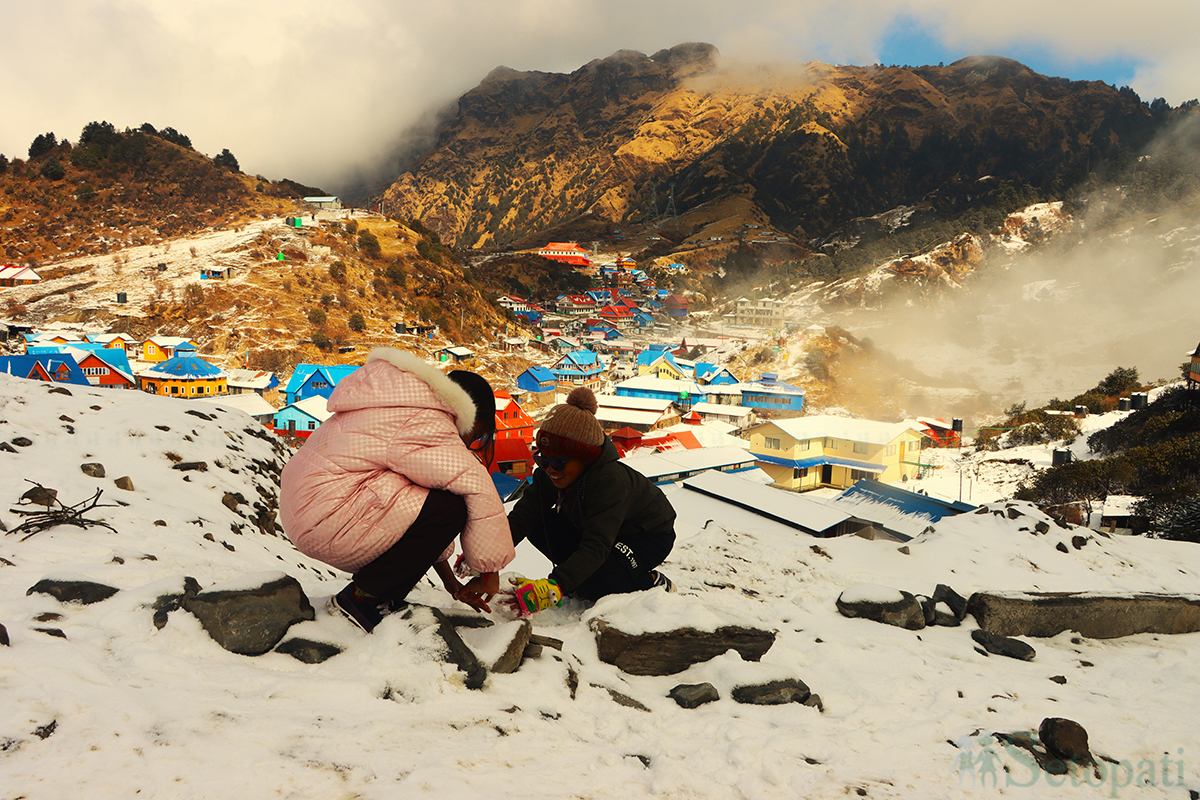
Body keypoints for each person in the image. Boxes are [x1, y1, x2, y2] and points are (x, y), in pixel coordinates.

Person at [279, 348, 514, 632]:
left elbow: (418, 515)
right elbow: (474, 485)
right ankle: (360, 600)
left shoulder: (399, 404)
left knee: (432, 491)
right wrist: (490, 574)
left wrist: (450, 583)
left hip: (311, 509)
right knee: (455, 503)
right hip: (327, 516)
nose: (472, 442)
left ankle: (375, 596)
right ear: (471, 415)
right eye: (479, 434)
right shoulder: (428, 421)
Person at [504, 386, 676, 615]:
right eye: (542, 459)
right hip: (598, 527)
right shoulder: (550, 472)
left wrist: (555, 586)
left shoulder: (609, 482)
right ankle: (581, 578)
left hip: (646, 535)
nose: (549, 469)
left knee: (594, 583)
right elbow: (524, 515)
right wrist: (488, 556)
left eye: (559, 462)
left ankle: (648, 582)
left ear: (584, 459)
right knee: (537, 522)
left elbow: (596, 545)